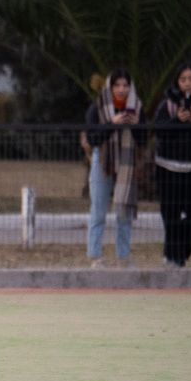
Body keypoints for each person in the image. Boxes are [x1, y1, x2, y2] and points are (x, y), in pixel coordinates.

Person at [81, 69, 145, 268]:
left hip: (127, 163)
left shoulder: (137, 108)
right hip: (102, 162)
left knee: (124, 211)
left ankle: (123, 257)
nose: (121, 89)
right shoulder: (97, 107)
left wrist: (136, 126)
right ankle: (95, 256)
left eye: (125, 85)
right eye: (117, 85)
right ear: (110, 87)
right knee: (98, 210)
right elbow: (93, 139)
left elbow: (143, 141)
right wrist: (112, 124)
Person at [153, 61, 191, 267]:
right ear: (177, 82)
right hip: (168, 168)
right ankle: (173, 260)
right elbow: (159, 131)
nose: (187, 84)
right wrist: (177, 120)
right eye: (183, 79)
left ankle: (176, 254)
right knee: (170, 214)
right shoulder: (167, 104)